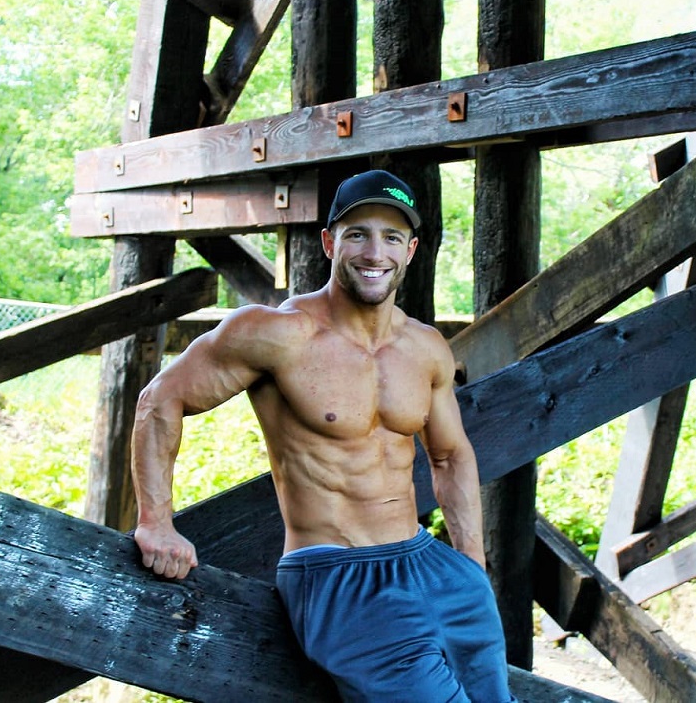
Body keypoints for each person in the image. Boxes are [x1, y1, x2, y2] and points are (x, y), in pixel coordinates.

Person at [132, 169, 516, 702]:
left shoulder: (426, 347)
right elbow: (160, 400)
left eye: (392, 237)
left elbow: (450, 456)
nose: (373, 251)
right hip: (337, 575)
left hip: (431, 566)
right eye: (358, 233)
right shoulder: (275, 334)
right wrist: (156, 522)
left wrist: (470, 566)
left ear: (411, 251)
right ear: (330, 242)